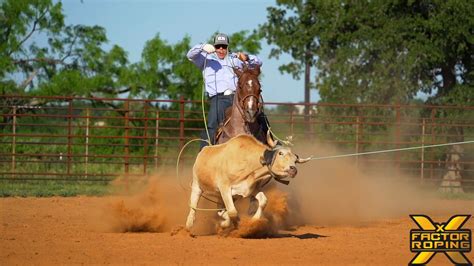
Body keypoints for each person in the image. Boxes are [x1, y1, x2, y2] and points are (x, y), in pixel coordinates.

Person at [187, 33, 264, 149]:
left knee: (259, 116)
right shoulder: (206, 59)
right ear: (214, 47)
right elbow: (190, 55)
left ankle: (272, 143)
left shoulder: (235, 59)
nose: (221, 49)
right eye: (218, 46)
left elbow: (258, 63)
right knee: (212, 125)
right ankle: (204, 154)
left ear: (227, 47)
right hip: (218, 99)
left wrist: (246, 58)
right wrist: (202, 47)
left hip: (237, 98)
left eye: (224, 46)